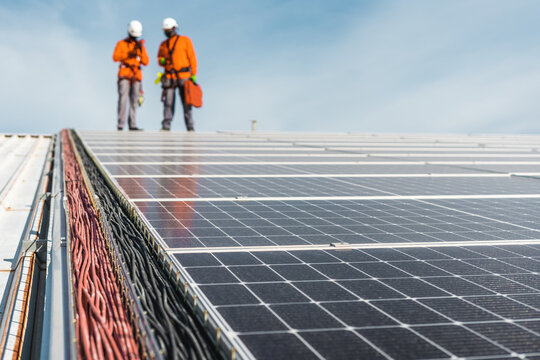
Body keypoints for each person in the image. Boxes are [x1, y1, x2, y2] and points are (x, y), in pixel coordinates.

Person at [157, 17, 198, 132]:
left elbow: (192, 57)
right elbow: (159, 59)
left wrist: (193, 73)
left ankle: (190, 126)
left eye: (168, 30)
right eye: (165, 31)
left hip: (184, 76)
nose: (167, 32)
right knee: (168, 102)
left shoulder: (185, 41)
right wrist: (162, 61)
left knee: (187, 102)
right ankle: (166, 125)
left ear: (174, 28)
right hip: (169, 77)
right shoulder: (163, 45)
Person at [113, 20, 149, 131]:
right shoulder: (121, 44)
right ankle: (120, 124)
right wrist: (128, 54)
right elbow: (115, 57)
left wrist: (140, 50)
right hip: (125, 75)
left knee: (134, 101)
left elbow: (146, 61)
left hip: (136, 77)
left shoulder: (140, 46)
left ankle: (132, 124)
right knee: (123, 100)